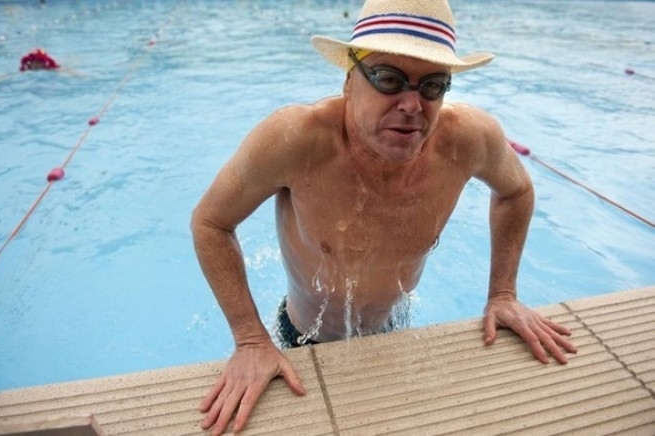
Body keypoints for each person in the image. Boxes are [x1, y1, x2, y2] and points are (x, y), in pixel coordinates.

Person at [190, 0, 578, 434]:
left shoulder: (469, 138)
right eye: (390, 79)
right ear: (349, 82)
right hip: (301, 339)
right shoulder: (295, 139)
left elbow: (517, 191)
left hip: (395, 327)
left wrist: (503, 294)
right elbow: (210, 223)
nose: (412, 105)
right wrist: (249, 338)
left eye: (432, 86)